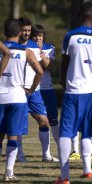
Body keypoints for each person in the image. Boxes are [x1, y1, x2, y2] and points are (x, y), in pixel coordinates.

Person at [55, 2, 92, 184]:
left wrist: (63, 80)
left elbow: (65, 61)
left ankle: (64, 176)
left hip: (74, 91)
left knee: (66, 132)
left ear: (79, 15)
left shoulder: (71, 36)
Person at [0, 18, 43, 182]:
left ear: (5, 33)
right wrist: (30, 90)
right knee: (13, 136)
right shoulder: (26, 52)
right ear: (19, 33)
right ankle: (9, 172)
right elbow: (39, 71)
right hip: (17, 97)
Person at [14, 17, 58, 163]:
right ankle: (19, 155)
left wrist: (41, 52)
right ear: (18, 31)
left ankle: (46, 155)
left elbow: (47, 68)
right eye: (24, 31)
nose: (27, 33)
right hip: (18, 91)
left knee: (44, 121)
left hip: (34, 91)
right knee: (18, 124)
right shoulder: (12, 47)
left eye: (28, 30)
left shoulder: (35, 47)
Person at [30, 24, 59, 146]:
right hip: (33, 90)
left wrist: (41, 54)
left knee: (53, 120)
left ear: (43, 36)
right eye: (35, 36)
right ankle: (45, 154)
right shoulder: (27, 48)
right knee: (42, 121)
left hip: (47, 89)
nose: (38, 38)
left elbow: (50, 67)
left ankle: (60, 150)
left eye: (40, 36)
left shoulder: (49, 48)